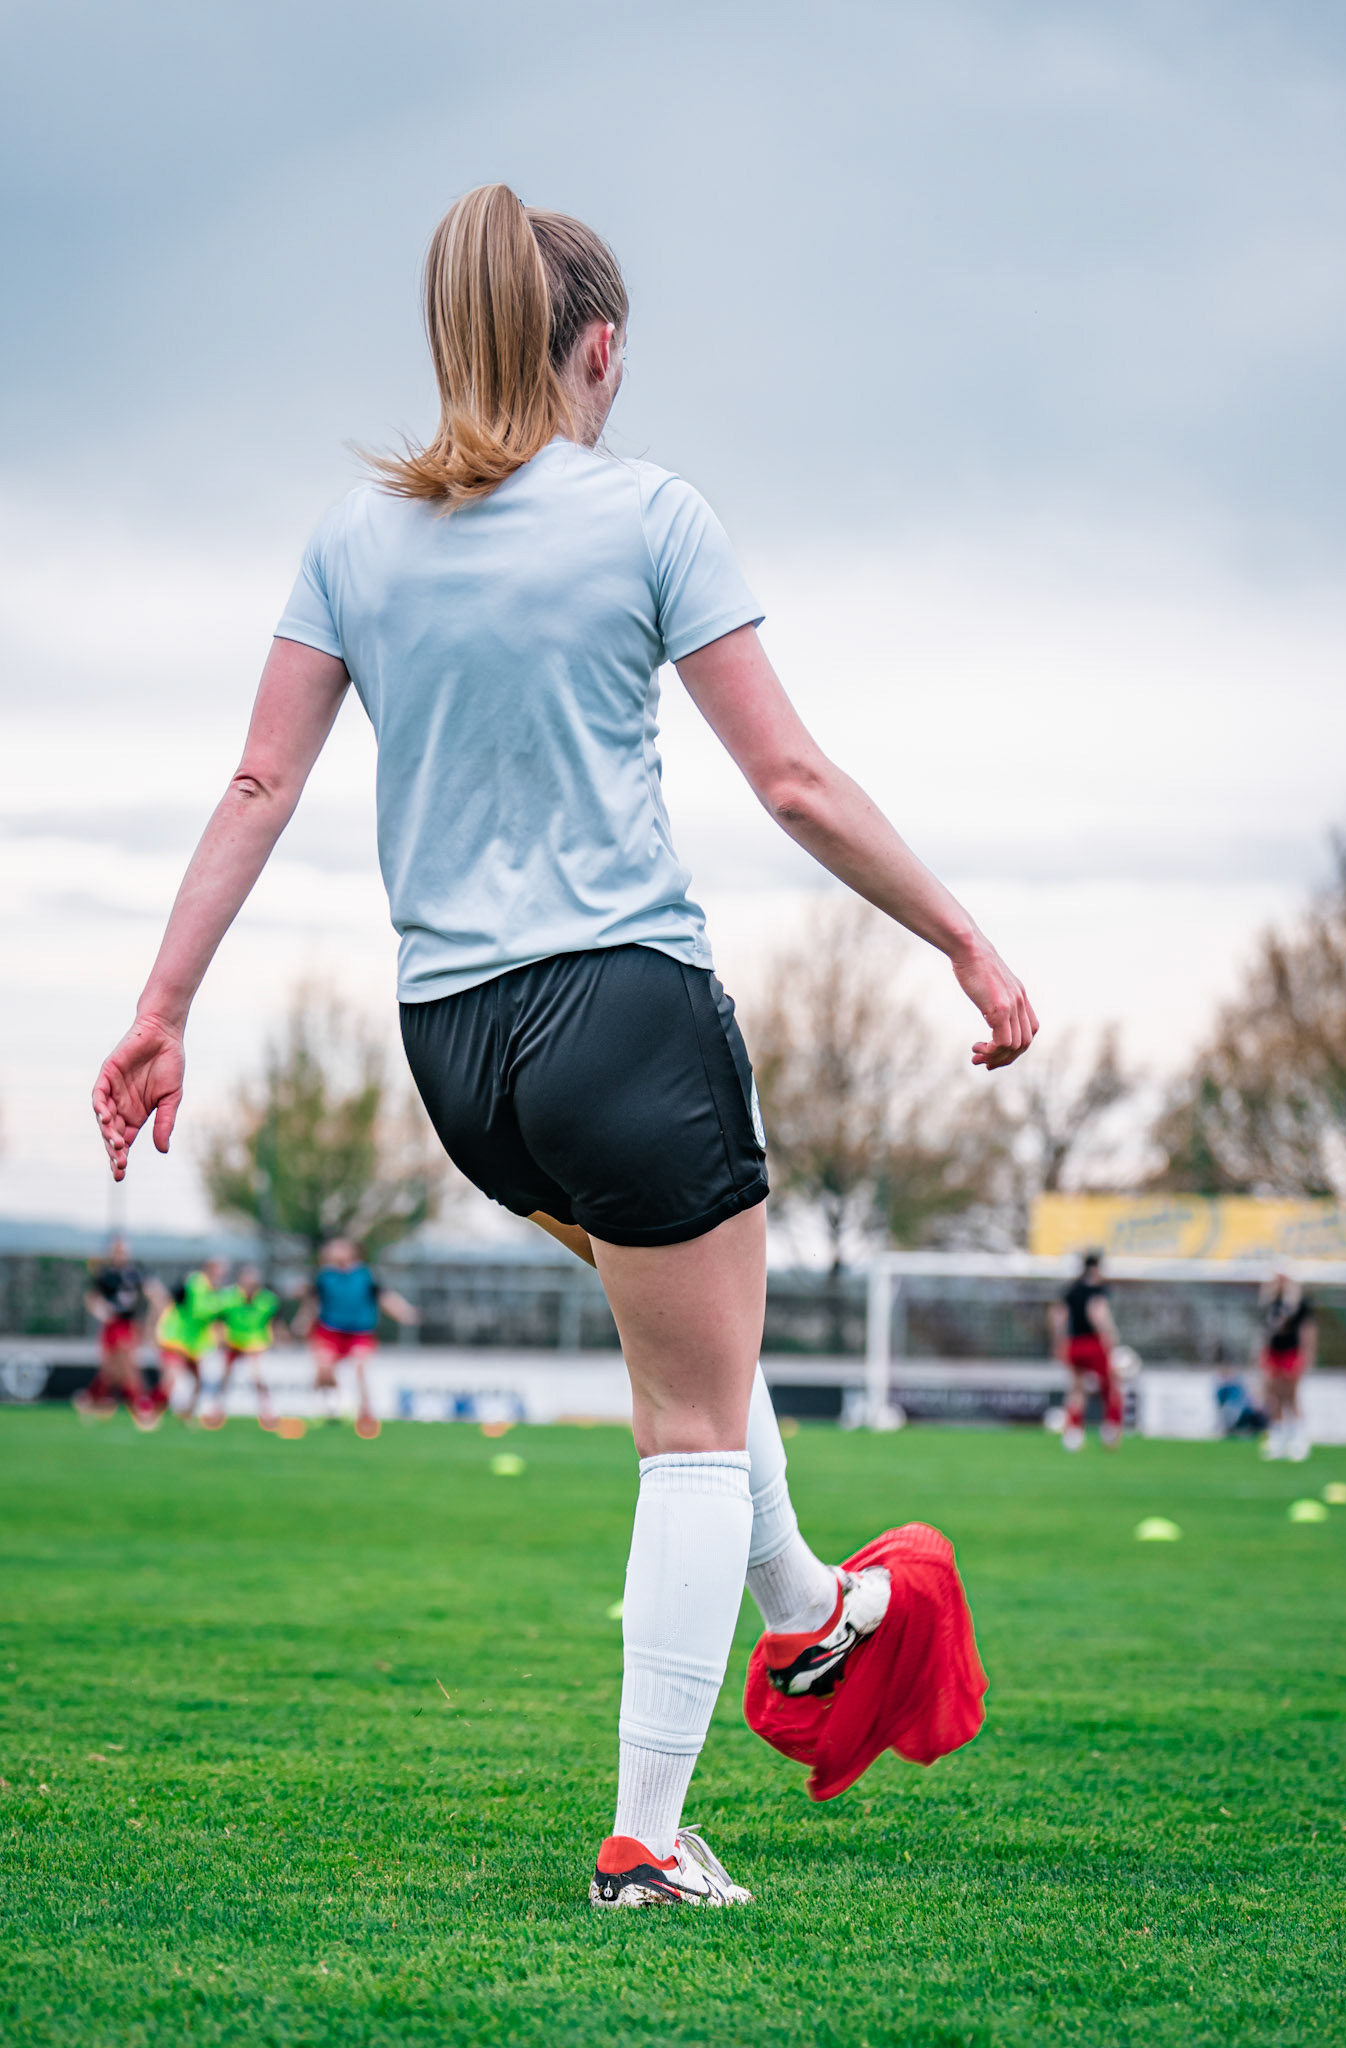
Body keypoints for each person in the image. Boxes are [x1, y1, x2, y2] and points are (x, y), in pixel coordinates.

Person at [92, 184, 1038, 1908]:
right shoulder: (653, 512)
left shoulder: (347, 539)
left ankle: (815, 1608)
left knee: (692, 1359)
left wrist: (159, 1009)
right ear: (597, 350)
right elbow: (796, 780)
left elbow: (260, 781)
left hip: (460, 1053)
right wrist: (962, 934)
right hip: (623, 1011)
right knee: (689, 1416)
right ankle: (649, 1834)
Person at [293, 1239, 418, 1437]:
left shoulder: (366, 1275)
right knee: (324, 1371)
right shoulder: (325, 1276)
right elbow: (313, 1301)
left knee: (360, 1369)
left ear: (352, 1252)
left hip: (360, 1332)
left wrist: (404, 1312)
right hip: (330, 1330)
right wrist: (302, 1320)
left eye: (339, 1247)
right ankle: (331, 1406)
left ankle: (366, 1414)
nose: (333, 1251)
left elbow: (385, 1297)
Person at [77, 1235, 155, 1424]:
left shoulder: (136, 1272)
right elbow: (91, 1299)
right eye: (117, 1250)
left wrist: (151, 1324)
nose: (120, 1254)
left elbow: (154, 1294)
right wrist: (102, 1312)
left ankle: (93, 1399)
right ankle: (137, 1406)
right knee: (114, 1369)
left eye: (122, 1250)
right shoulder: (105, 1274)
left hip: (128, 1326)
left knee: (125, 1366)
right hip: (112, 1326)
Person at [1050, 1251, 1123, 1451]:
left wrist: (1059, 1343)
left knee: (1077, 1388)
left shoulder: (1070, 1290)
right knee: (1110, 1386)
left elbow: (1058, 1316)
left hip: (1073, 1344)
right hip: (1093, 1343)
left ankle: (1073, 1434)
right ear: (1097, 1268)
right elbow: (1097, 1313)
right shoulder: (1097, 1290)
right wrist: (1110, 1337)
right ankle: (1110, 1431)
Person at [152, 1258, 231, 1422]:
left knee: (198, 1382)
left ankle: (187, 1414)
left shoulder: (214, 1291)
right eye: (218, 1270)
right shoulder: (196, 1283)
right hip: (176, 1338)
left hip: (191, 1344)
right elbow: (200, 1311)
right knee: (172, 1377)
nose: (220, 1275)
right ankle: (151, 1412)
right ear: (208, 1269)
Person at [204, 1263, 281, 1431]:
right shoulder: (228, 1297)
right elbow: (218, 1320)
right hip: (233, 1342)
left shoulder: (267, 1299)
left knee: (258, 1378)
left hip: (255, 1342)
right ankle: (216, 1410)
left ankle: (267, 1412)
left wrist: (272, 1339)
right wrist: (219, 1339)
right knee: (224, 1378)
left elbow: (272, 1322)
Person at [1258, 1269, 1316, 1462]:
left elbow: (1307, 1331)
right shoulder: (1271, 1304)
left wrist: (1306, 1355)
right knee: (1274, 1397)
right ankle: (1277, 1439)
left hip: (1291, 1354)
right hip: (1274, 1354)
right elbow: (1266, 1332)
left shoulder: (1298, 1304)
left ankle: (1299, 1439)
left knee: (1291, 1397)